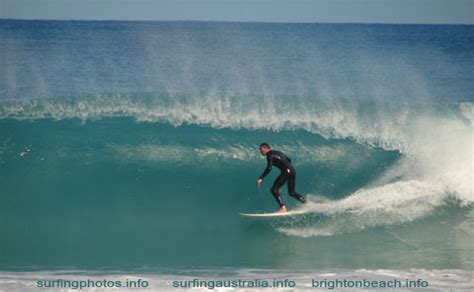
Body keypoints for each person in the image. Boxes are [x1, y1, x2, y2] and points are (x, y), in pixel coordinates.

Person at [256, 143, 307, 213]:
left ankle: (283, 208)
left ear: (265, 148)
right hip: (292, 170)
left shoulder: (269, 155)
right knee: (292, 192)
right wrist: (284, 165)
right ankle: (305, 203)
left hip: (286, 172)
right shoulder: (278, 152)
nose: (260, 151)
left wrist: (261, 178)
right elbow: (289, 160)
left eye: (261, 149)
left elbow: (269, 167)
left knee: (274, 190)